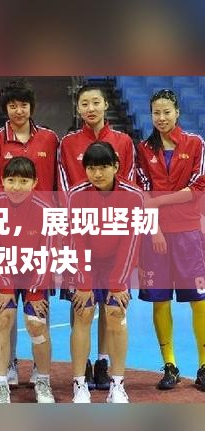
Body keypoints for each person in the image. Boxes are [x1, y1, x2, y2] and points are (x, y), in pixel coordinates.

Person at [0, 78, 58, 387]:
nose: (18, 110)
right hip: (4, 234)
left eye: (23, 104)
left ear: (31, 107)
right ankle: (8, 363)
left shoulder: (49, 139)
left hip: (40, 232)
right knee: (4, 309)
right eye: (12, 105)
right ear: (5, 109)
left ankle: (40, 369)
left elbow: (58, 182)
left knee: (39, 309)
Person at [57, 83, 136, 391]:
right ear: (78, 108)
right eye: (84, 104)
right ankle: (84, 364)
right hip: (80, 231)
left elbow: (127, 183)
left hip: (113, 233)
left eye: (95, 103)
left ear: (106, 105)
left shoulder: (123, 141)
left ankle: (103, 361)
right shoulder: (68, 143)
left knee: (110, 305)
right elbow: (64, 185)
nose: (90, 108)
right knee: (82, 302)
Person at [136, 88, 205, 391]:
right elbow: (142, 192)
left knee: (199, 300)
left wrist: (159, 201)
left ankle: (204, 365)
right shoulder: (143, 148)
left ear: (177, 112)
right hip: (156, 236)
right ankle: (170, 365)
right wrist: (154, 229)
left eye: (167, 112)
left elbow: (199, 186)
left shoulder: (195, 143)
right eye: (156, 113)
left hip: (189, 234)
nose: (161, 118)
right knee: (159, 299)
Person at [65, 141, 142, 403]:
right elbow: (75, 240)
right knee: (83, 312)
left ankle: (117, 385)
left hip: (116, 262)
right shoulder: (76, 195)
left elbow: (131, 242)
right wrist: (83, 283)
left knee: (116, 313)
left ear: (116, 167)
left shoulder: (133, 196)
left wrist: (118, 284)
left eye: (103, 168)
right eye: (91, 168)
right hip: (85, 260)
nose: (97, 174)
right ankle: (79, 384)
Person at [0, 156, 55, 403]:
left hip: (35, 272)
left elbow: (48, 252)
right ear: (2, 181)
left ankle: (43, 381)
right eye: (11, 180)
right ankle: (0, 384)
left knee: (36, 323)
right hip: (3, 270)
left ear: (35, 183)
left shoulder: (46, 209)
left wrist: (35, 291)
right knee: (3, 318)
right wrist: (4, 286)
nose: (17, 186)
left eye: (24, 181)